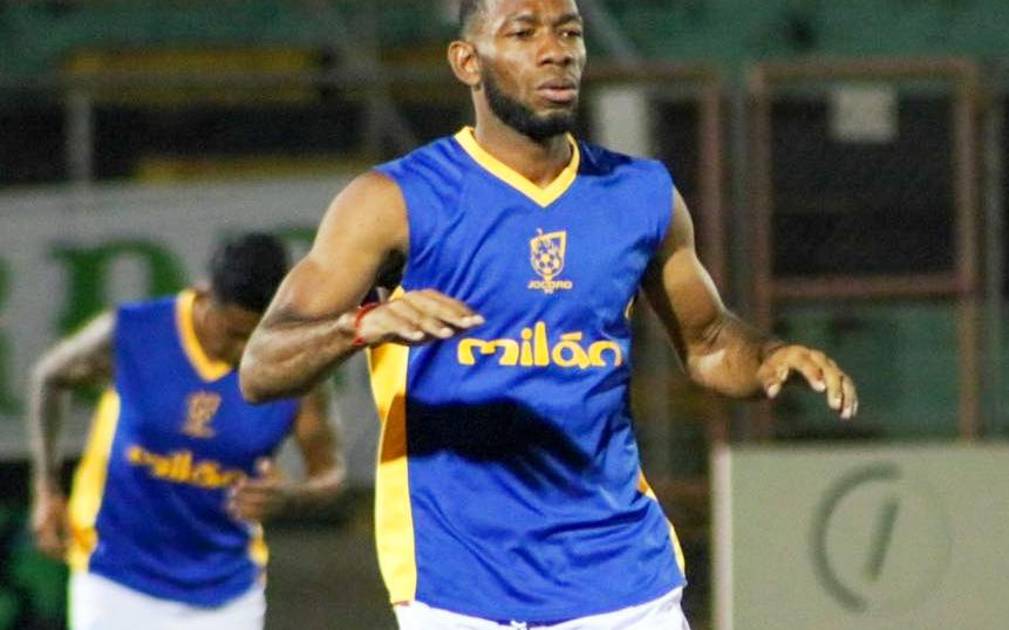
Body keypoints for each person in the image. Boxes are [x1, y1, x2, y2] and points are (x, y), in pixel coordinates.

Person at [239, 0, 858, 627]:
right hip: (460, 587)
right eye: (523, 32)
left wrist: (769, 358)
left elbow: (710, 342)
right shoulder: (393, 200)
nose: (555, 50)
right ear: (467, 61)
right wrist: (358, 326)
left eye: (569, 32)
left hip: (622, 577)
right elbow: (261, 368)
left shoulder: (640, 194)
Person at [27, 233, 345, 630]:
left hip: (226, 592)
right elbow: (50, 377)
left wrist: (291, 497)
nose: (243, 351)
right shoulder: (136, 332)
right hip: (115, 574)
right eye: (234, 333)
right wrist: (46, 488)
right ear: (205, 294)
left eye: (256, 336)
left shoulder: (296, 368)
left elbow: (329, 474)